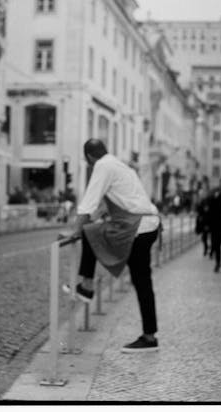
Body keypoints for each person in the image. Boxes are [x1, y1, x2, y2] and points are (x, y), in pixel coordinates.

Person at [61, 139, 161, 353]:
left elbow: (89, 202)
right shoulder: (119, 165)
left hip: (138, 226)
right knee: (142, 281)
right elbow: (108, 204)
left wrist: (76, 231)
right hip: (147, 224)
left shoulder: (102, 166)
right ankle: (150, 336)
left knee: (90, 232)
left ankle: (87, 287)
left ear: (89, 157)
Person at [195, 188, 211, 256]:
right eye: (200, 194)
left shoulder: (209, 201)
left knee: (209, 236)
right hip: (203, 222)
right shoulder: (201, 202)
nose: (201, 195)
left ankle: (210, 249)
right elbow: (199, 213)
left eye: (203, 194)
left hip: (209, 222)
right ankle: (206, 248)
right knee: (204, 237)